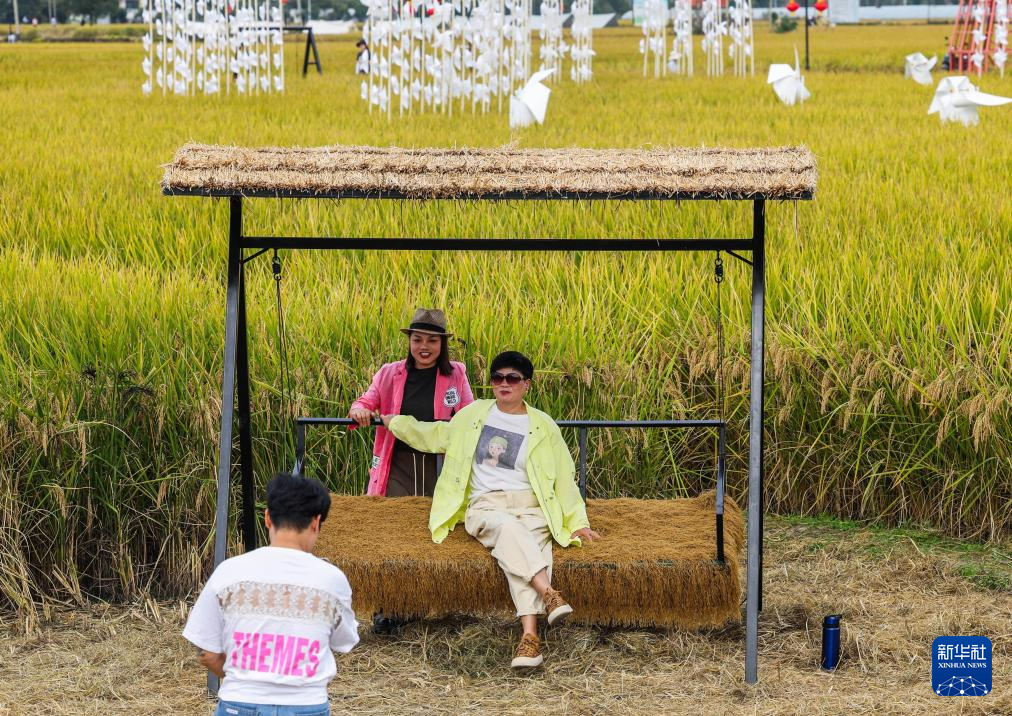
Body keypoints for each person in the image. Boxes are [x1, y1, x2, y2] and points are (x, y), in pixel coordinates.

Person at [382, 351, 600, 669]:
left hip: (531, 505)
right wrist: (395, 422)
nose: (503, 384)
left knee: (524, 549)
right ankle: (549, 593)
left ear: (526, 384)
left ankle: (530, 639)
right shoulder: (473, 415)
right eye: (497, 378)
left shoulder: (544, 426)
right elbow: (435, 435)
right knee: (510, 531)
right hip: (487, 504)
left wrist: (578, 521)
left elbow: (564, 477)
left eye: (512, 378)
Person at [182, 474, 359, 715]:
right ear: (316, 522)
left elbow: (207, 653)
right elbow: (343, 641)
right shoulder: (332, 580)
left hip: (238, 704)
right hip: (306, 706)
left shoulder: (229, 572)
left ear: (267, 518)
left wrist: (245, 679)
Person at [349, 308, 473, 498]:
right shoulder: (389, 373)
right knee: (394, 513)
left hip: (440, 463)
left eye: (432, 340)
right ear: (409, 341)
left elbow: (471, 416)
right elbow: (364, 402)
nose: (424, 347)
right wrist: (359, 411)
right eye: (417, 340)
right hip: (397, 464)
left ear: (442, 343)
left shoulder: (456, 374)